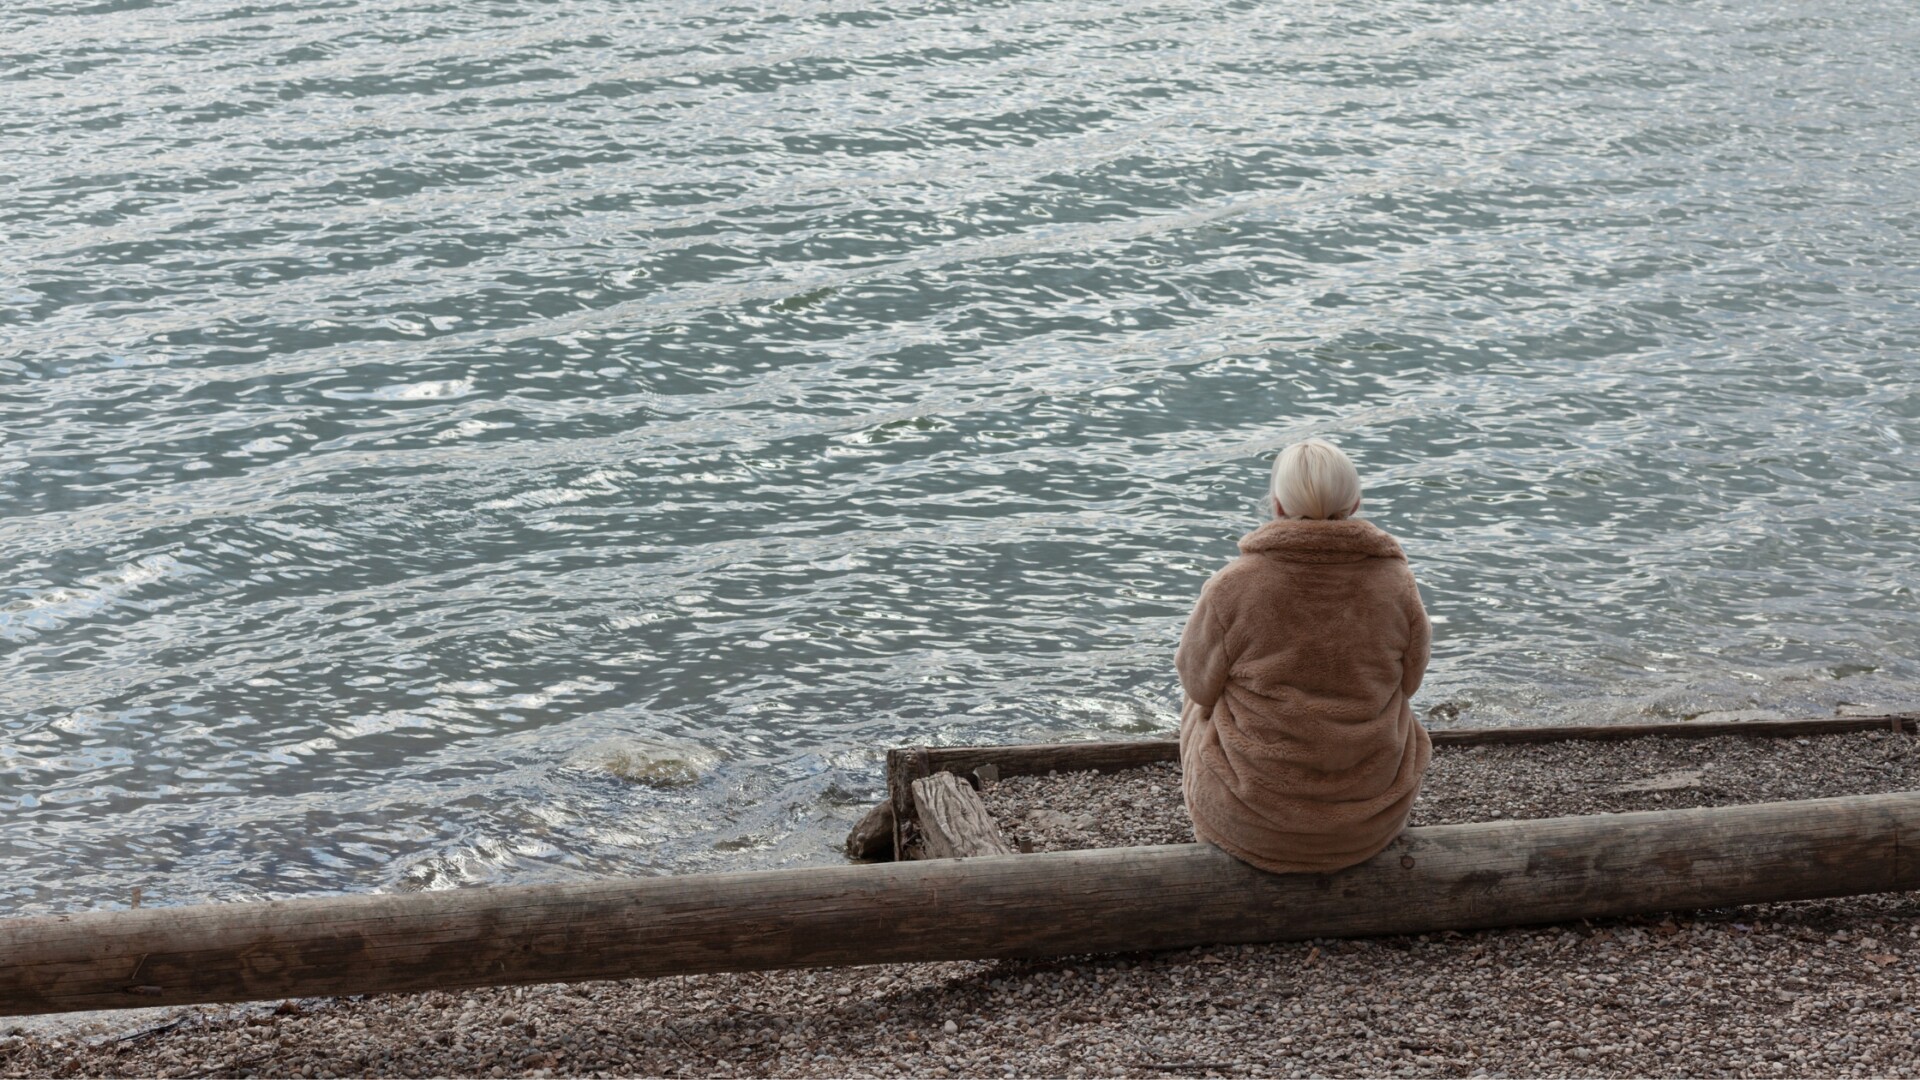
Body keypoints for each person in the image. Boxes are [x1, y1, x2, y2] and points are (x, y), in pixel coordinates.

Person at [1175, 438, 1431, 874]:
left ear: (1276, 506)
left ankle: (1227, 825)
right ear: (1355, 503)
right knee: (1390, 700)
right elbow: (1411, 681)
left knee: (1197, 700)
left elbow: (1197, 683)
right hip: (1368, 824)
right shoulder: (1396, 582)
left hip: (1248, 822)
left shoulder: (1233, 585)